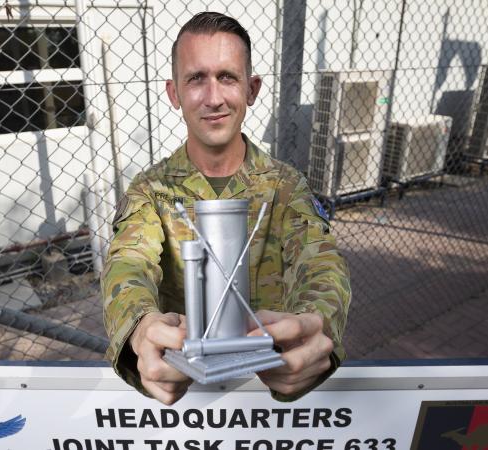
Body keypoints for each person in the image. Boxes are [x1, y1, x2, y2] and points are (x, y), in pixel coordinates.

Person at [102, 11, 351, 405]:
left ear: (251, 89)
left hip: (272, 386)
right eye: (196, 78)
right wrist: (139, 327)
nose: (214, 97)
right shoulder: (152, 190)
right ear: (174, 93)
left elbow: (320, 262)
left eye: (228, 77)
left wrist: (313, 324)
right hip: (184, 393)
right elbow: (128, 264)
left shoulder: (284, 186)